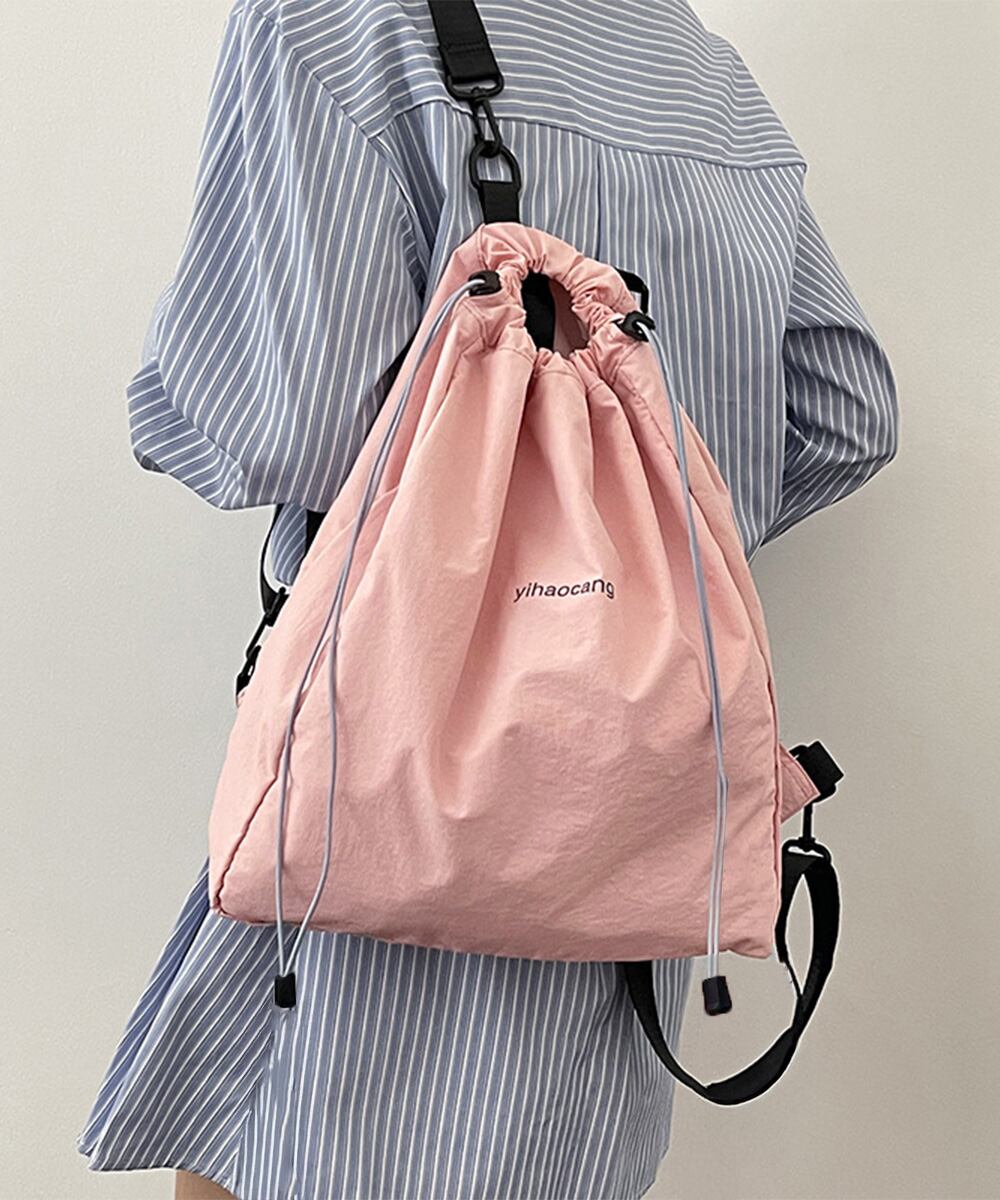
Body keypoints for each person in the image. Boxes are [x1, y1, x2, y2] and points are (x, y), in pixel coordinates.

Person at [77, 2, 898, 1197]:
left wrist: (169, 412)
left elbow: (275, 428)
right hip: (634, 800)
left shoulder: (335, 24)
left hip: (394, 774)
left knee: (299, 1149)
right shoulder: (700, 70)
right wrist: (635, 572)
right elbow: (843, 413)